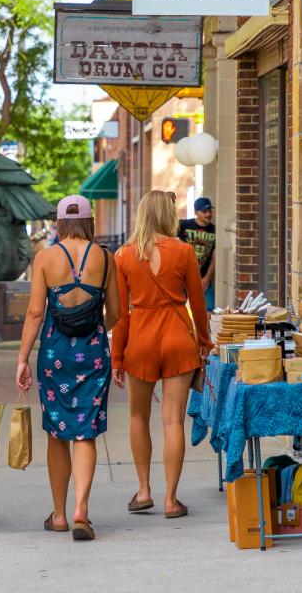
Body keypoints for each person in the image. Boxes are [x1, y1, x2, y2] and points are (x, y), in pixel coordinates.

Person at [16, 195, 119, 541]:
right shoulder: (105, 258)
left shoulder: (45, 258)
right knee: (85, 431)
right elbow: (118, 313)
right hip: (92, 353)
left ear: (59, 224)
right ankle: (81, 511)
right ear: (90, 222)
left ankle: (59, 515)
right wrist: (94, 325)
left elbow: (33, 314)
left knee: (57, 433)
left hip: (53, 354)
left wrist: (22, 358)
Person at [113, 190, 211, 519]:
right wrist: (205, 343)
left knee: (138, 417)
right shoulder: (184, 252)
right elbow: (199, 306)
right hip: (177, 338)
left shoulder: (124, 255)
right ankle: (171, 500)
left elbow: (119, 315)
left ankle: (143, 491)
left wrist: (116, 357)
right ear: (168, 216)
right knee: (173, 421)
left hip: (140, 338)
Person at [179, 197, 217, 312]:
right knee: (178, 308)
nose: (208, 214)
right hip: (183, 277)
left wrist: (207, 278)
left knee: (209, 309)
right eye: (204, 211)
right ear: (196, 212)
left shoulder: (214, 230)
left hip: (203, 278)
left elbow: (215, 257)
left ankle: (205, 331)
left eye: (210, 210)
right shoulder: (184, 225)